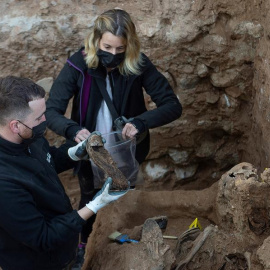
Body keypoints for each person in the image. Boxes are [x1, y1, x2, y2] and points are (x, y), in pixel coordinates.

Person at [45, 8, 182, 266]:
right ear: (96, 40)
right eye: (108, 47)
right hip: (89, 149)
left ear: (129, 46)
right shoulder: (78, 65)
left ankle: (117, 244)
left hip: (127, 148)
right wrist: (73, 130)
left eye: (121, 49)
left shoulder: (138, 63)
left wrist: (141, 122)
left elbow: (172, 106)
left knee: (122, 196)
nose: (113, 54)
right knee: (90, 197)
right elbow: (52, 110)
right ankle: (86, 248)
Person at [0, 76, 129, 270]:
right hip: (38, 262)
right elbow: (43, 237)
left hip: (64, 245)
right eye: (39, 117)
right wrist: (96, 203)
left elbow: (46, 159)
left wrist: (73, 154)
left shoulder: (28, 137)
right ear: (15, 126)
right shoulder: (4, 184)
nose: (45, 120)